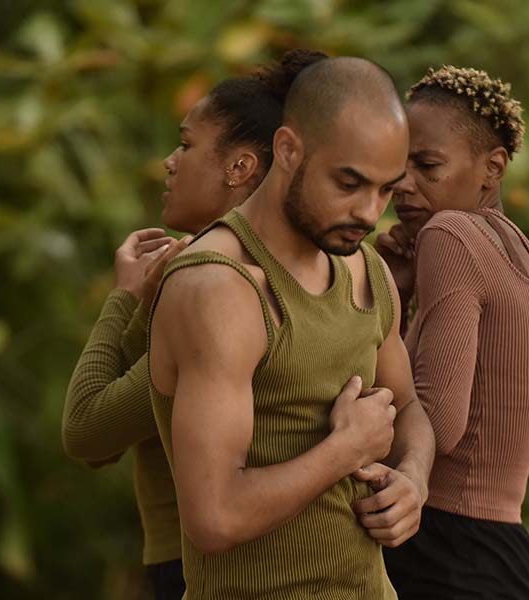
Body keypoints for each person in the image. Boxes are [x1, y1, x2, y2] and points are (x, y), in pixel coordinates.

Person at [147, 57, 436, 598]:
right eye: (349, 183)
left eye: (385, 190)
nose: (370, 213)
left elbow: (409, 407)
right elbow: (214, 517)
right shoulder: (219, 288)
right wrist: (344, 451)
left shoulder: (364, 267)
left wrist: (413, 482)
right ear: (287, 151)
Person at [62, 50, 327, 600]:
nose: (169, 161)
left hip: (203, 571)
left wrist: (123, 298)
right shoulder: (317, 271)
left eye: (186, 144)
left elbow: (88, 433)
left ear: (241, 167)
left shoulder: (210, 290)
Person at [376, 65, 529, 599]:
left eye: (427, 165)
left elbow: (438, 423)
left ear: (491, 168)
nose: (403, 185)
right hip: (501, 553)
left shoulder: (449, 232)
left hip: (446, 553)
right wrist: (401, 294)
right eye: (397, 167)